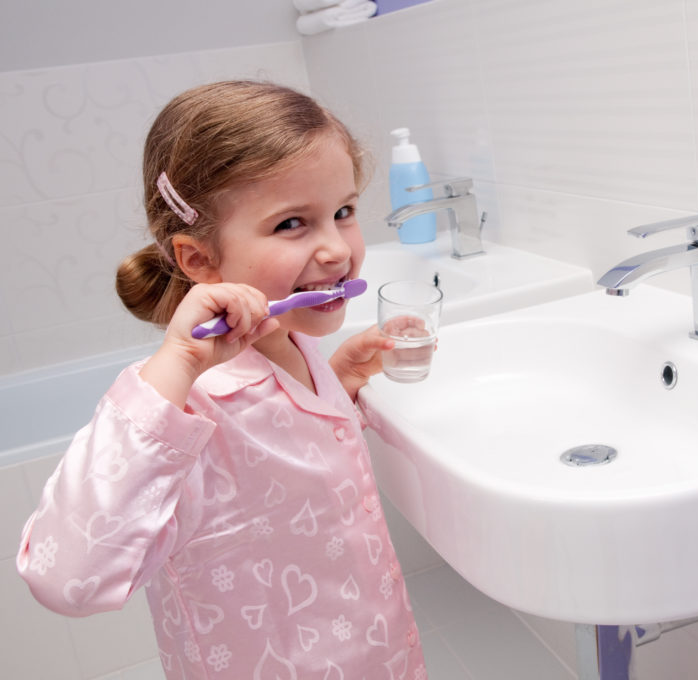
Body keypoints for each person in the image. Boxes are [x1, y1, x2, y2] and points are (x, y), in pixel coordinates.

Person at [16, 80, 427, 680]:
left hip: (376, 653)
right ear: (199, 260)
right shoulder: (181, 407)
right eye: (292, 223)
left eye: (343, 211)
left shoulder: (299, 346)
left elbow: (284, 463)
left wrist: (339, 384)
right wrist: (176, 365)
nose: (338, 248)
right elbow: (69, 580)